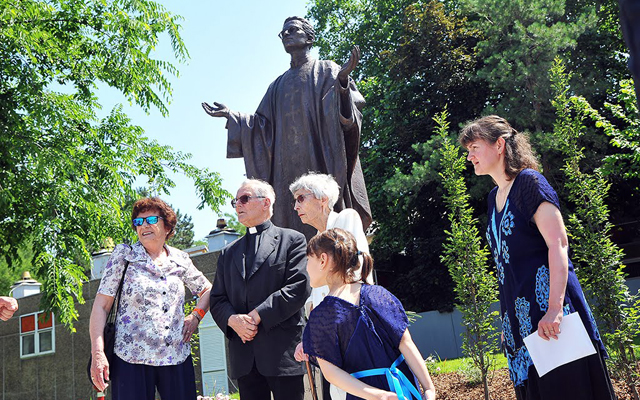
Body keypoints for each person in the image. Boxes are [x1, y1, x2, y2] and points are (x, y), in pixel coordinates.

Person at [460, 115, 616, 399]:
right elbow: (506, 265)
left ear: (499, 145)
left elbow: (558, 244)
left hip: (553, 319)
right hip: (522, 327)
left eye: (474, 147)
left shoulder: (530, 183)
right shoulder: (493, 197)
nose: (469, 156)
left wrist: (555, 309)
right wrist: (508, 321)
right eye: (467, 150)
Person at [202, 16, 372, 240]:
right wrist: (232, 116)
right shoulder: (277, 85)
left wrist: (341, 83)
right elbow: (261, 126)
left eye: (292, 30)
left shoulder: (326, 70)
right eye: (283, 33)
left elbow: (348, 117)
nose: (286, 35)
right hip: (286, 170)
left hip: (320, 159)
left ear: (309, 37)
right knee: (290, 222)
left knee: (325, 222)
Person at [89, 197, 212, 400]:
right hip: (130, 358)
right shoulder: (124, 256)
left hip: (176, 356)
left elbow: (208, 290)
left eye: (151, 220)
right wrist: (98, 353)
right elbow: (101, 307)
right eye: (138, 222)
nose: (144, 225)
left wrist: (196, 316)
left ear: (167, 226)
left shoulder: (180, 259)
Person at [297, 228, 436, 400]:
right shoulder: (378, 294)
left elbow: (331, 373)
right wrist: (429, 387)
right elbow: (406, 343)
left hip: (364, 395)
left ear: (323, 260)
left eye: (308, 259)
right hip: (404, 387)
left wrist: (379, 396)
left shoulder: (321, 316)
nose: (306, 266)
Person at [209, 179, 310, 400]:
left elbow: (298, 287)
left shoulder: (292, 240)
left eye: (244, 199)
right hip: (244, 356)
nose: (238, 205)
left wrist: (257, 316)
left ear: (266, 203)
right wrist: (233, 320)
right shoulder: (228, 253)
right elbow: (217, 299)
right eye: (235, 201)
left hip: (282, 353)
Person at [290, 172, 373, 400]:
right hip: (330, 335)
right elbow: (313, 297)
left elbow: (353, 270)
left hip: (352, 326)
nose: (295, 206)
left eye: (300, 198)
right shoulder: (315, 242)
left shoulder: (346, 218)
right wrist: (311, 335)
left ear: (323, 199)